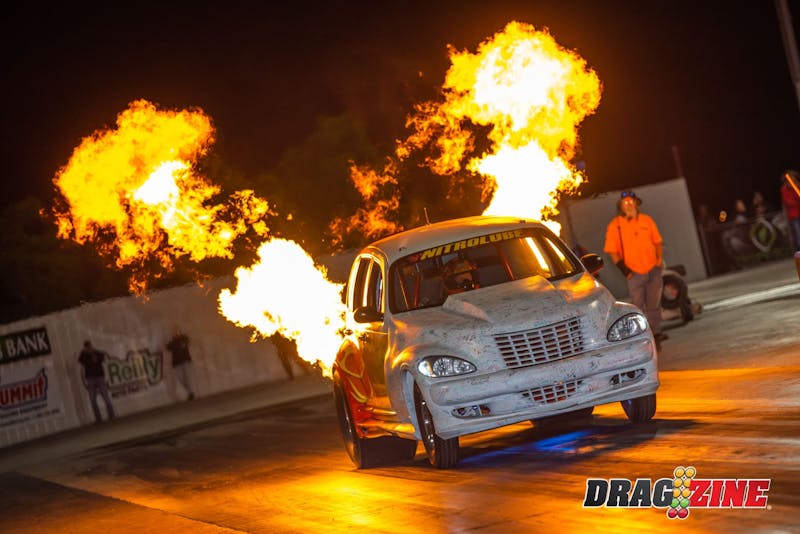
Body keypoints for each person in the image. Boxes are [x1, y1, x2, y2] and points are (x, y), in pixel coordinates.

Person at [603, 191, 668, 349]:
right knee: (638, 306)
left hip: (653, 269)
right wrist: (625, 270)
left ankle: (656, 334)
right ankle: (643, 336)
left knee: (654, 304)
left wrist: (659, 260)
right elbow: (612, 251)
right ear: (620, 206)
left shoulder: (647, 220)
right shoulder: (615, 225)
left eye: (631, 201)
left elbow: (658, 242)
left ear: (636, 204)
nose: (629, 204)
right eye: (625, 202)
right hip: (634, 273)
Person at [78, 340, 115, 422]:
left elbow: (102, 358)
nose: (88, 348)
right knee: (92, 399)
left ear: (91, 346)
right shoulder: (84, 355)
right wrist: (84, 352)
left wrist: (93, 353)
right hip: (90, 378)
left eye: (89, 346)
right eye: (87, 347)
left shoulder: (97, 353)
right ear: (85, 347)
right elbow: (80, 361)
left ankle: (111, 414)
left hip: (99, 376)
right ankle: (98, 418)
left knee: (105, 396)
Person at [166, 329, 195, 400]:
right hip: (177, 363)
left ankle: (190, 393)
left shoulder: (183, 338)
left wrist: (177, 342)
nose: (176, 333)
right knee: (181, 379)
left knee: (187, 378)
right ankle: (189, 392)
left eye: (177, 332)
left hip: (185, 361)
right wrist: (176, 343)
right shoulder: (173, 342)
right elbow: (168, 347)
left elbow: (186, 342)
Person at [781, 170, 800, 250]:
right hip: (794, 215)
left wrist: (796, 187)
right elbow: (788, 202)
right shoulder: (784, 189)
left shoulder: (797, 187)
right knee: (797, 232)